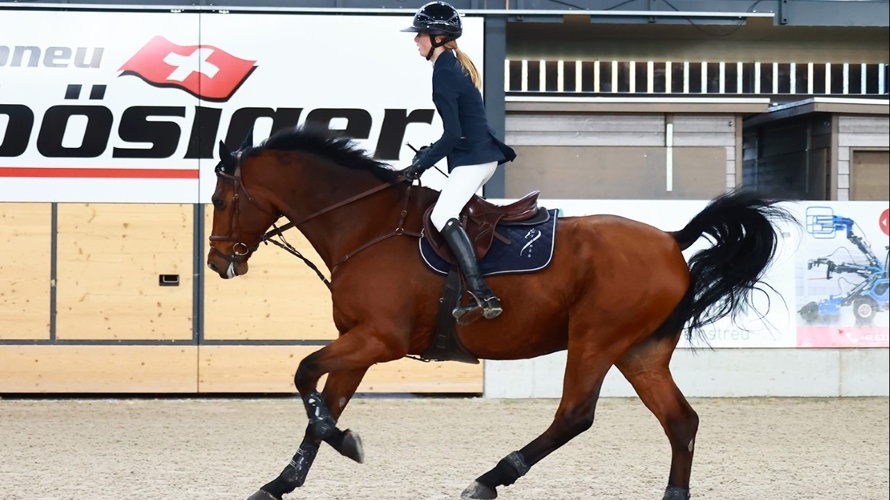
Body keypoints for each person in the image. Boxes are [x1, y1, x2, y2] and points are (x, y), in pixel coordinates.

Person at [401, 1, 517, 322]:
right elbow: (457, 131)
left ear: (438, 37)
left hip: (474, 159)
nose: (416, 40)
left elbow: (452, 134)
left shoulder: (445, 72)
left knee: (442, 215)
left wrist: (420, 166)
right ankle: (469, 290)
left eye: (420, 35)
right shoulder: (451, 65)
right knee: (459, 217)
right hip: (476, 156)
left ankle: (483, 293)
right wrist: (428, 153)